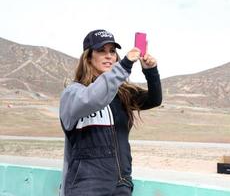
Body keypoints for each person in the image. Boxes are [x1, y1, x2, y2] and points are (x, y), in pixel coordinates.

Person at [59, 29, 162, 196]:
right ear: (88, 57)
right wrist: (124, 66)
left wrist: (151, 71)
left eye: (112, 51)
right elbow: (93, 98)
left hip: (121, 184)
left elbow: (154, 99)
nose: (109, 56)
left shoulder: (122, 93)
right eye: (101, 51)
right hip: (86, 186)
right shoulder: (74, 93)